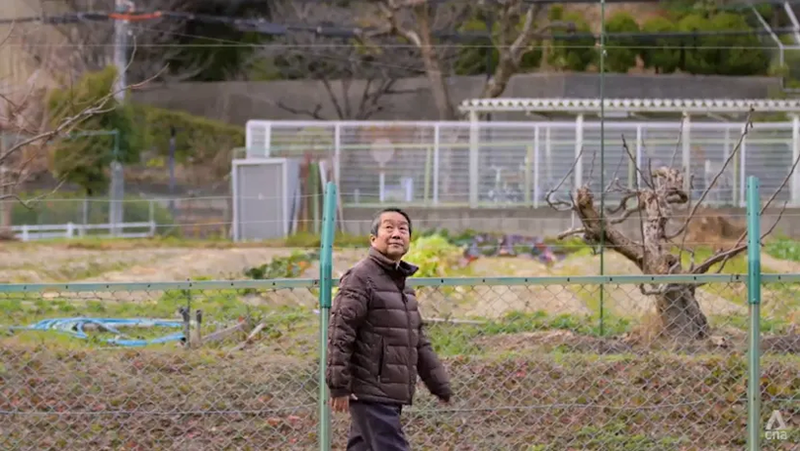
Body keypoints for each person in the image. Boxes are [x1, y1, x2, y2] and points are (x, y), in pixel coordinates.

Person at [325, 207, 452, 451]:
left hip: (386, 392)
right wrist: (338, 385)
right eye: (389, 228)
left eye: (403, 229)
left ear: (409, 240)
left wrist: (439, 385)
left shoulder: (403, 287)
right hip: (370, 391)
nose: (396, 234)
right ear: (373, 239)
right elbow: (340, 333)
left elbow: (417, 341)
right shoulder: (360, 278)